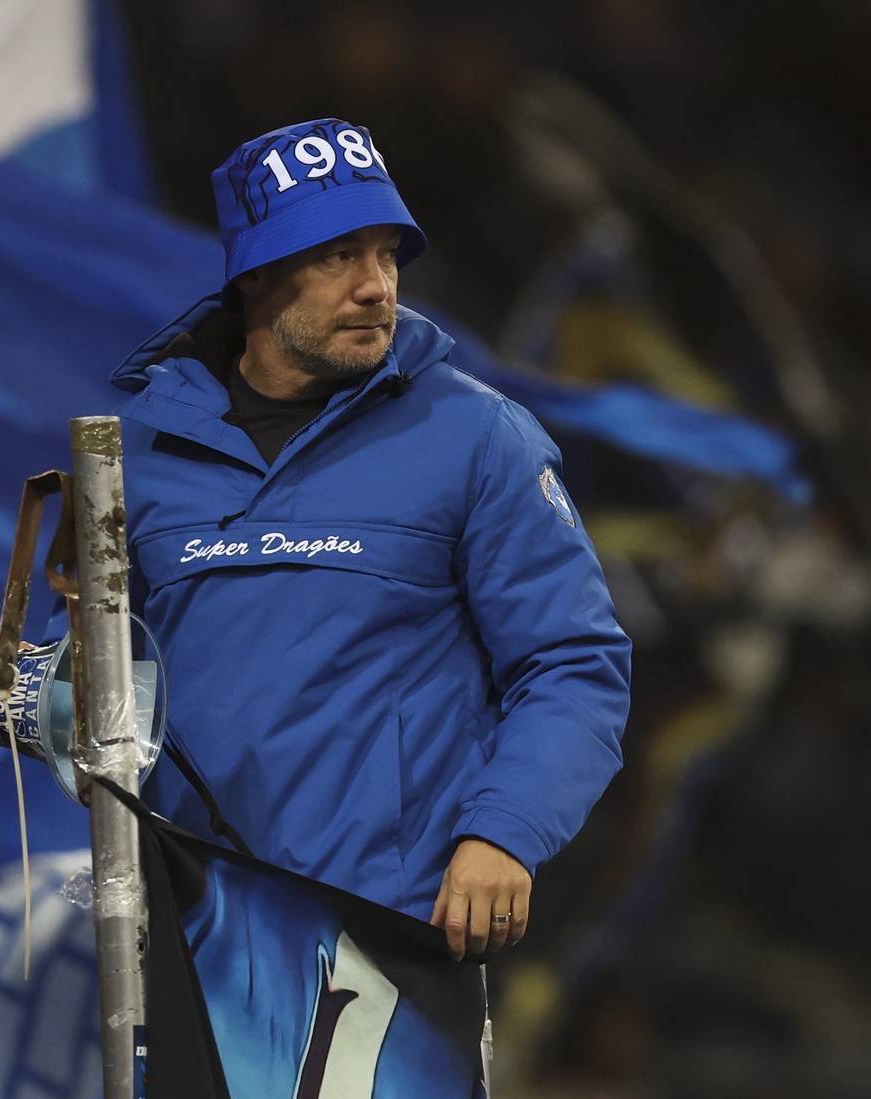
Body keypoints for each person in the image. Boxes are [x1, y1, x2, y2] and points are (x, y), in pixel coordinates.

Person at [113, 118, 632, 960]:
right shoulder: (132, 451)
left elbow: (574, 664)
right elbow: (83, 677)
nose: (377, 287)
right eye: (337, 256)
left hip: (394, 943)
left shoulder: (477, 436)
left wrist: (504, 832)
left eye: (388, 254)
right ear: (254, 276)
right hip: (184, 942)